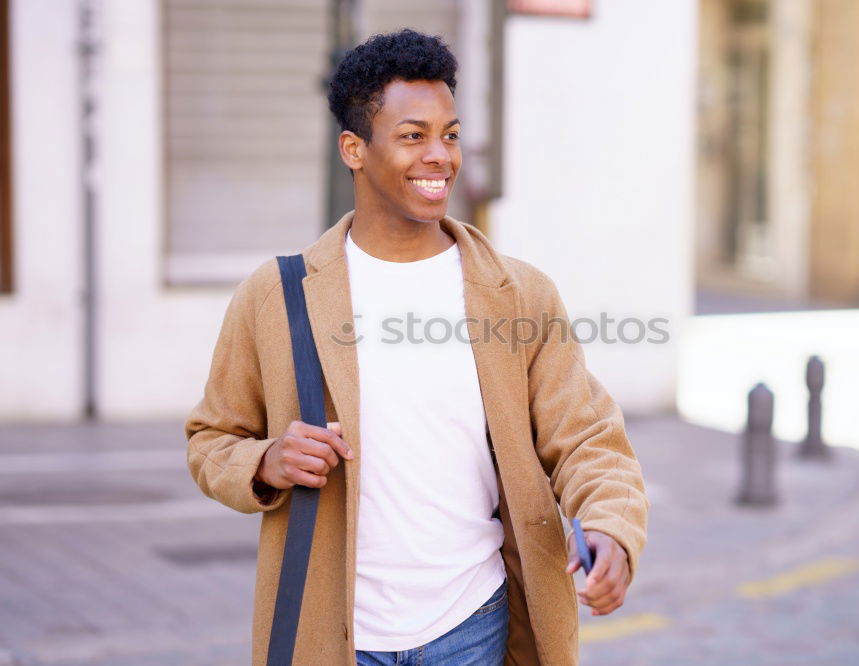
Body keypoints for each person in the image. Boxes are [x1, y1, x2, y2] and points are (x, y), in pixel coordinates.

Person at [185, 28, 648, 666]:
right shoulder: (277, 295)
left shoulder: (519, 296)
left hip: (475, 626)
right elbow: (212, 439)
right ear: (354, 148)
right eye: (413, 136)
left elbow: (588, 437)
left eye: (450, 134)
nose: (440, 156)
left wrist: (611, 527)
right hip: (335, 635)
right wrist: (267, 461)